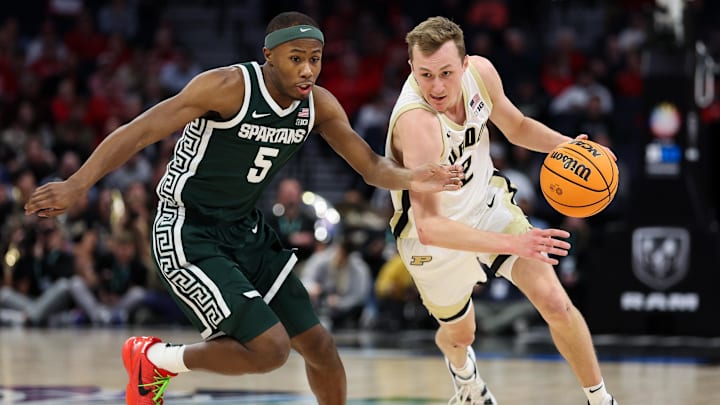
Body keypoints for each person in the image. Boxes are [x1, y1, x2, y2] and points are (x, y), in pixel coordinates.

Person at [23, 11, 464, 405]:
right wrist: (78, 184)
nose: (308, 69)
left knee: (322, 349)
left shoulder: (319, 106)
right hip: (188, 230)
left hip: (246, 232)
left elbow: (369, 166)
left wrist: (413, 176)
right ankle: (155, 359)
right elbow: (140, 131)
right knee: (269, 349)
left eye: (315, 58)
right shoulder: (227, 86)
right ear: (269, 56)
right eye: (296, 58)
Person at [385, 17, 619, 405]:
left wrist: (567, 147)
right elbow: (429, 226)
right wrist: (515, 242)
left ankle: (601, 400)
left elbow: (517, 126)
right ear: (411, 68)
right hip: (434, 239)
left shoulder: (481, 74)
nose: (437, 86)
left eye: (446, 72)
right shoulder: (417, 125)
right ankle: (465, 380)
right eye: (425, 75)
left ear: (465, 64)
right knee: (461, 335)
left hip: (486, 204)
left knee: (555, 303)